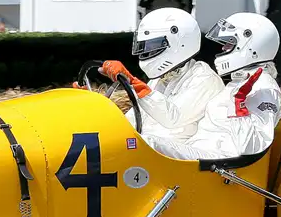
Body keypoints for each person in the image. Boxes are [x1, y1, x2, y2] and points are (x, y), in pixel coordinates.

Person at [73, 8, 225, 147]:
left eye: (152, 46)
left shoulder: (204, 78)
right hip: (153, 155)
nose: (146, 53)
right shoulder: (162, 79)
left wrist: (133, 82)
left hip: (183, 159)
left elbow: (172, 118)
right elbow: (131, 121)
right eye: (143, 47)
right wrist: (96, 106)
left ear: (179, 43)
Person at [162, 12, 281, 161]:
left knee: (145, 144)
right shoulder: (239, 82)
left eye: (230, 43)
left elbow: (253, 147)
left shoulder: (265, 87)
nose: (223, 48)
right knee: (138, 140)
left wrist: (238, 106)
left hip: (218, 162)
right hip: (200, 153)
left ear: (251, 46)